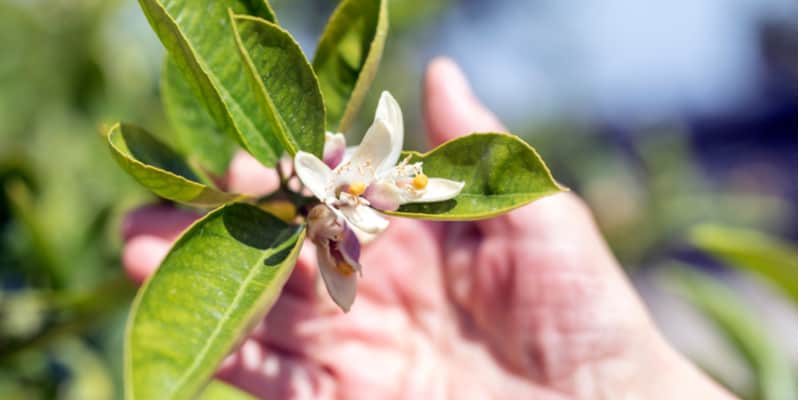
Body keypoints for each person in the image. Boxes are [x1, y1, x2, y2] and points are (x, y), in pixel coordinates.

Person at [122, 58, 736, 399]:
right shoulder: (326, 175)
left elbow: (365, 196)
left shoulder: (360, 203)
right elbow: (325, 169)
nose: (352, 198)